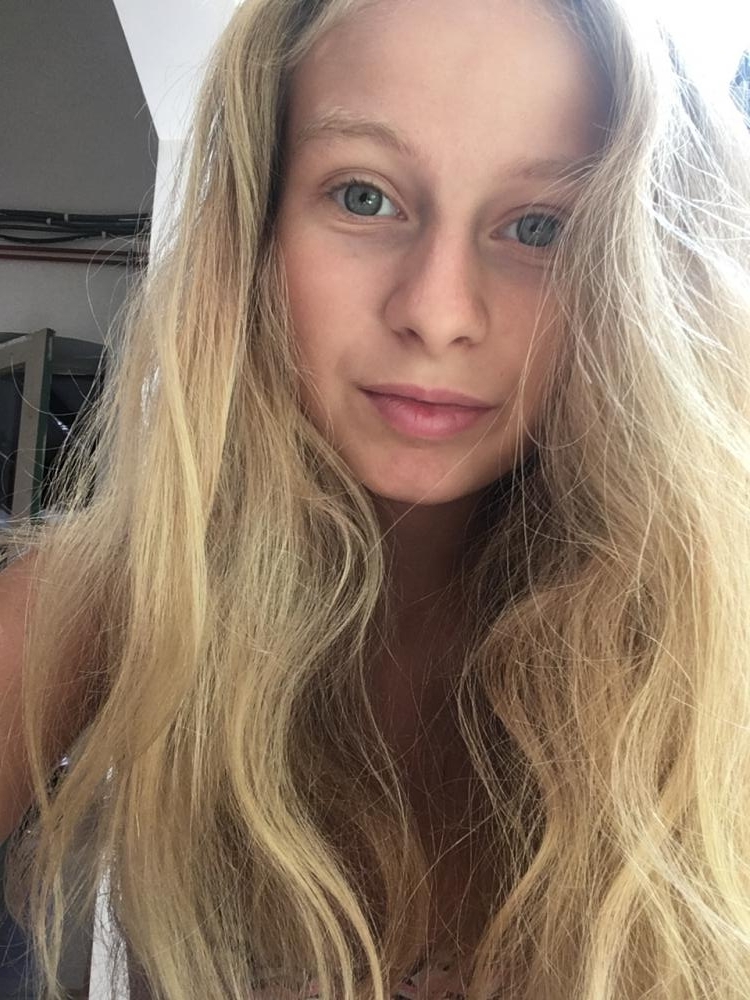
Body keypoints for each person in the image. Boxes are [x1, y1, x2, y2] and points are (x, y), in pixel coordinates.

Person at [1, 0, 750, 997]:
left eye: (540, 226)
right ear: (258, 230)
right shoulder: (93, 606)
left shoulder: (715, 661)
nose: (438, 312)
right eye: (364, 197)